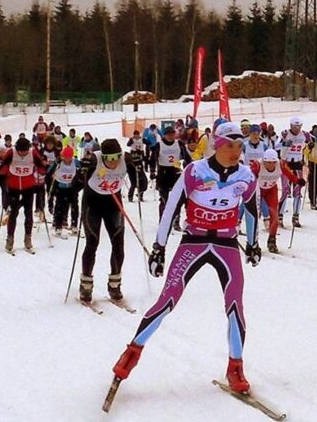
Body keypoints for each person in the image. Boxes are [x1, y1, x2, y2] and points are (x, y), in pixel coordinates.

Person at [110, 122, 260, 394]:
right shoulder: (195, 171)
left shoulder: (247, 176)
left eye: (240, 146)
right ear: (217, 144)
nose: (236, 151)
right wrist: (159, 248)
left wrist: (252, 243)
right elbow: (171, 207)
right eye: (230, 145)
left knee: (235, 305)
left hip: (226, 243)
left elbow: (251, 209)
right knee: (168, 299)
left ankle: (235, 367)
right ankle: (131, 353)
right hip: (194, 240)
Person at [78, 139, 128, 303]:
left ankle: (114, 284)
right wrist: (82, 171)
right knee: (92, 242)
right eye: (109, 158)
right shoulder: (93, 160)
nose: (113, 162)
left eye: (116, 157)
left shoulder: (125, 160)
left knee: (118, 242)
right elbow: (76, 182)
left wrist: (139, 171)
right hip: (92, 205)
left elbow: (140, 180)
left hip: (114, 205)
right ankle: (86, 284)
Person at [0, 137, 46, 254]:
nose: (23, 153)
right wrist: (3, 171)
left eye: (25, 151)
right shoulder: (11, 152)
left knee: (28, 213)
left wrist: (43, 167)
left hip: (28, 187)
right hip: (13, 187)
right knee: (13, 213)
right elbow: (2, 169)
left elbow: (41, 168)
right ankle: (10, 239)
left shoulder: (32, 152)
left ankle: (28, 238)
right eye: (21, 151)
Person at [251, 149, 293, 253]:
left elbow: (288, 173)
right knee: (254, 215)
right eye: (268, 162)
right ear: (264, 161)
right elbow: (249, 174)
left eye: (273, 162)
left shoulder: (280, 164)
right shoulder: (258, 164)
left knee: (274, 215)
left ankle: (272, 240)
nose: (271, 165)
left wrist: (297, 181)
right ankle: (253, 242)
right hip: (257, 190)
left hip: (271, 190)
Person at [279, 116, 310, 227]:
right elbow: (277, 145)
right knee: (286, 191)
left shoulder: (305, 134)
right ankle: (280, 216)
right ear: (290, 126)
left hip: (297, 164)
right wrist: (284, 143)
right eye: (294, 126)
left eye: (298, 127)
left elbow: (315, 141)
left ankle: (296, 217)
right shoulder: (285, 133)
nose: (296, 129)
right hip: (286, 164)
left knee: (297, 192)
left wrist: (311, 144)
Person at [49, 145, 81, 237]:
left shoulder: (75, 162)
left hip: (71, 187)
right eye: (64, 156)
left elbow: (84, 166)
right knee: (59, 207)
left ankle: (74, 226)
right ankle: (58, 227)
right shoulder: (59, 162)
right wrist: (54, 164)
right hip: (60, 187)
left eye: (68, 157)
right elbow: (49, 171)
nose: (66, 159)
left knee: (75, 206)